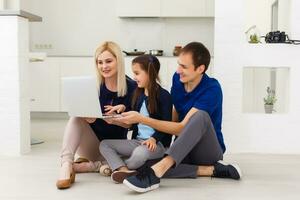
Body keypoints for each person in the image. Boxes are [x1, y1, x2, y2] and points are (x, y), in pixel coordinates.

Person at [116, 42, 242, 193]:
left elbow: (183, 128)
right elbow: (174, 113)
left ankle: (157, 173)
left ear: (200, 68)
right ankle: (211, 171)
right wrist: (162, 141)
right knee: (142, 164)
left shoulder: (212, 89)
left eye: (184, 67)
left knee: (200, 116)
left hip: (207, 151)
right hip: (184, 148)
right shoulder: (178, 79)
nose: (178, 70)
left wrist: (141, 119)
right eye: (178, 65)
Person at [56, 41, 136, 189]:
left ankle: (94, 165)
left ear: (119, 61)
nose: (104, 66)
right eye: (99, 62)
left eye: (108, 61)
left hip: (113, 148)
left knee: (134, 160)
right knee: (75, 117)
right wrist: (89, 118)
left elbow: (132, 125)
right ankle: (66, 164)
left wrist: (114, 120)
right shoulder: (93, 85)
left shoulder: (132, 87)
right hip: (91, 145)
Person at [99, 55, 172, 183]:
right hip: (138, 141)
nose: (134, 77)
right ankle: (123, 169)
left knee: (139, 154)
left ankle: (114, 166)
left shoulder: (164, 96)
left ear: (150, 73)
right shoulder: (138, 93)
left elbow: (167, 124)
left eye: (137, 73)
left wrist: (154, 138)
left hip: (157, 144)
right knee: (104, 144)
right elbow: (133, 117)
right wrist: (121, 109)